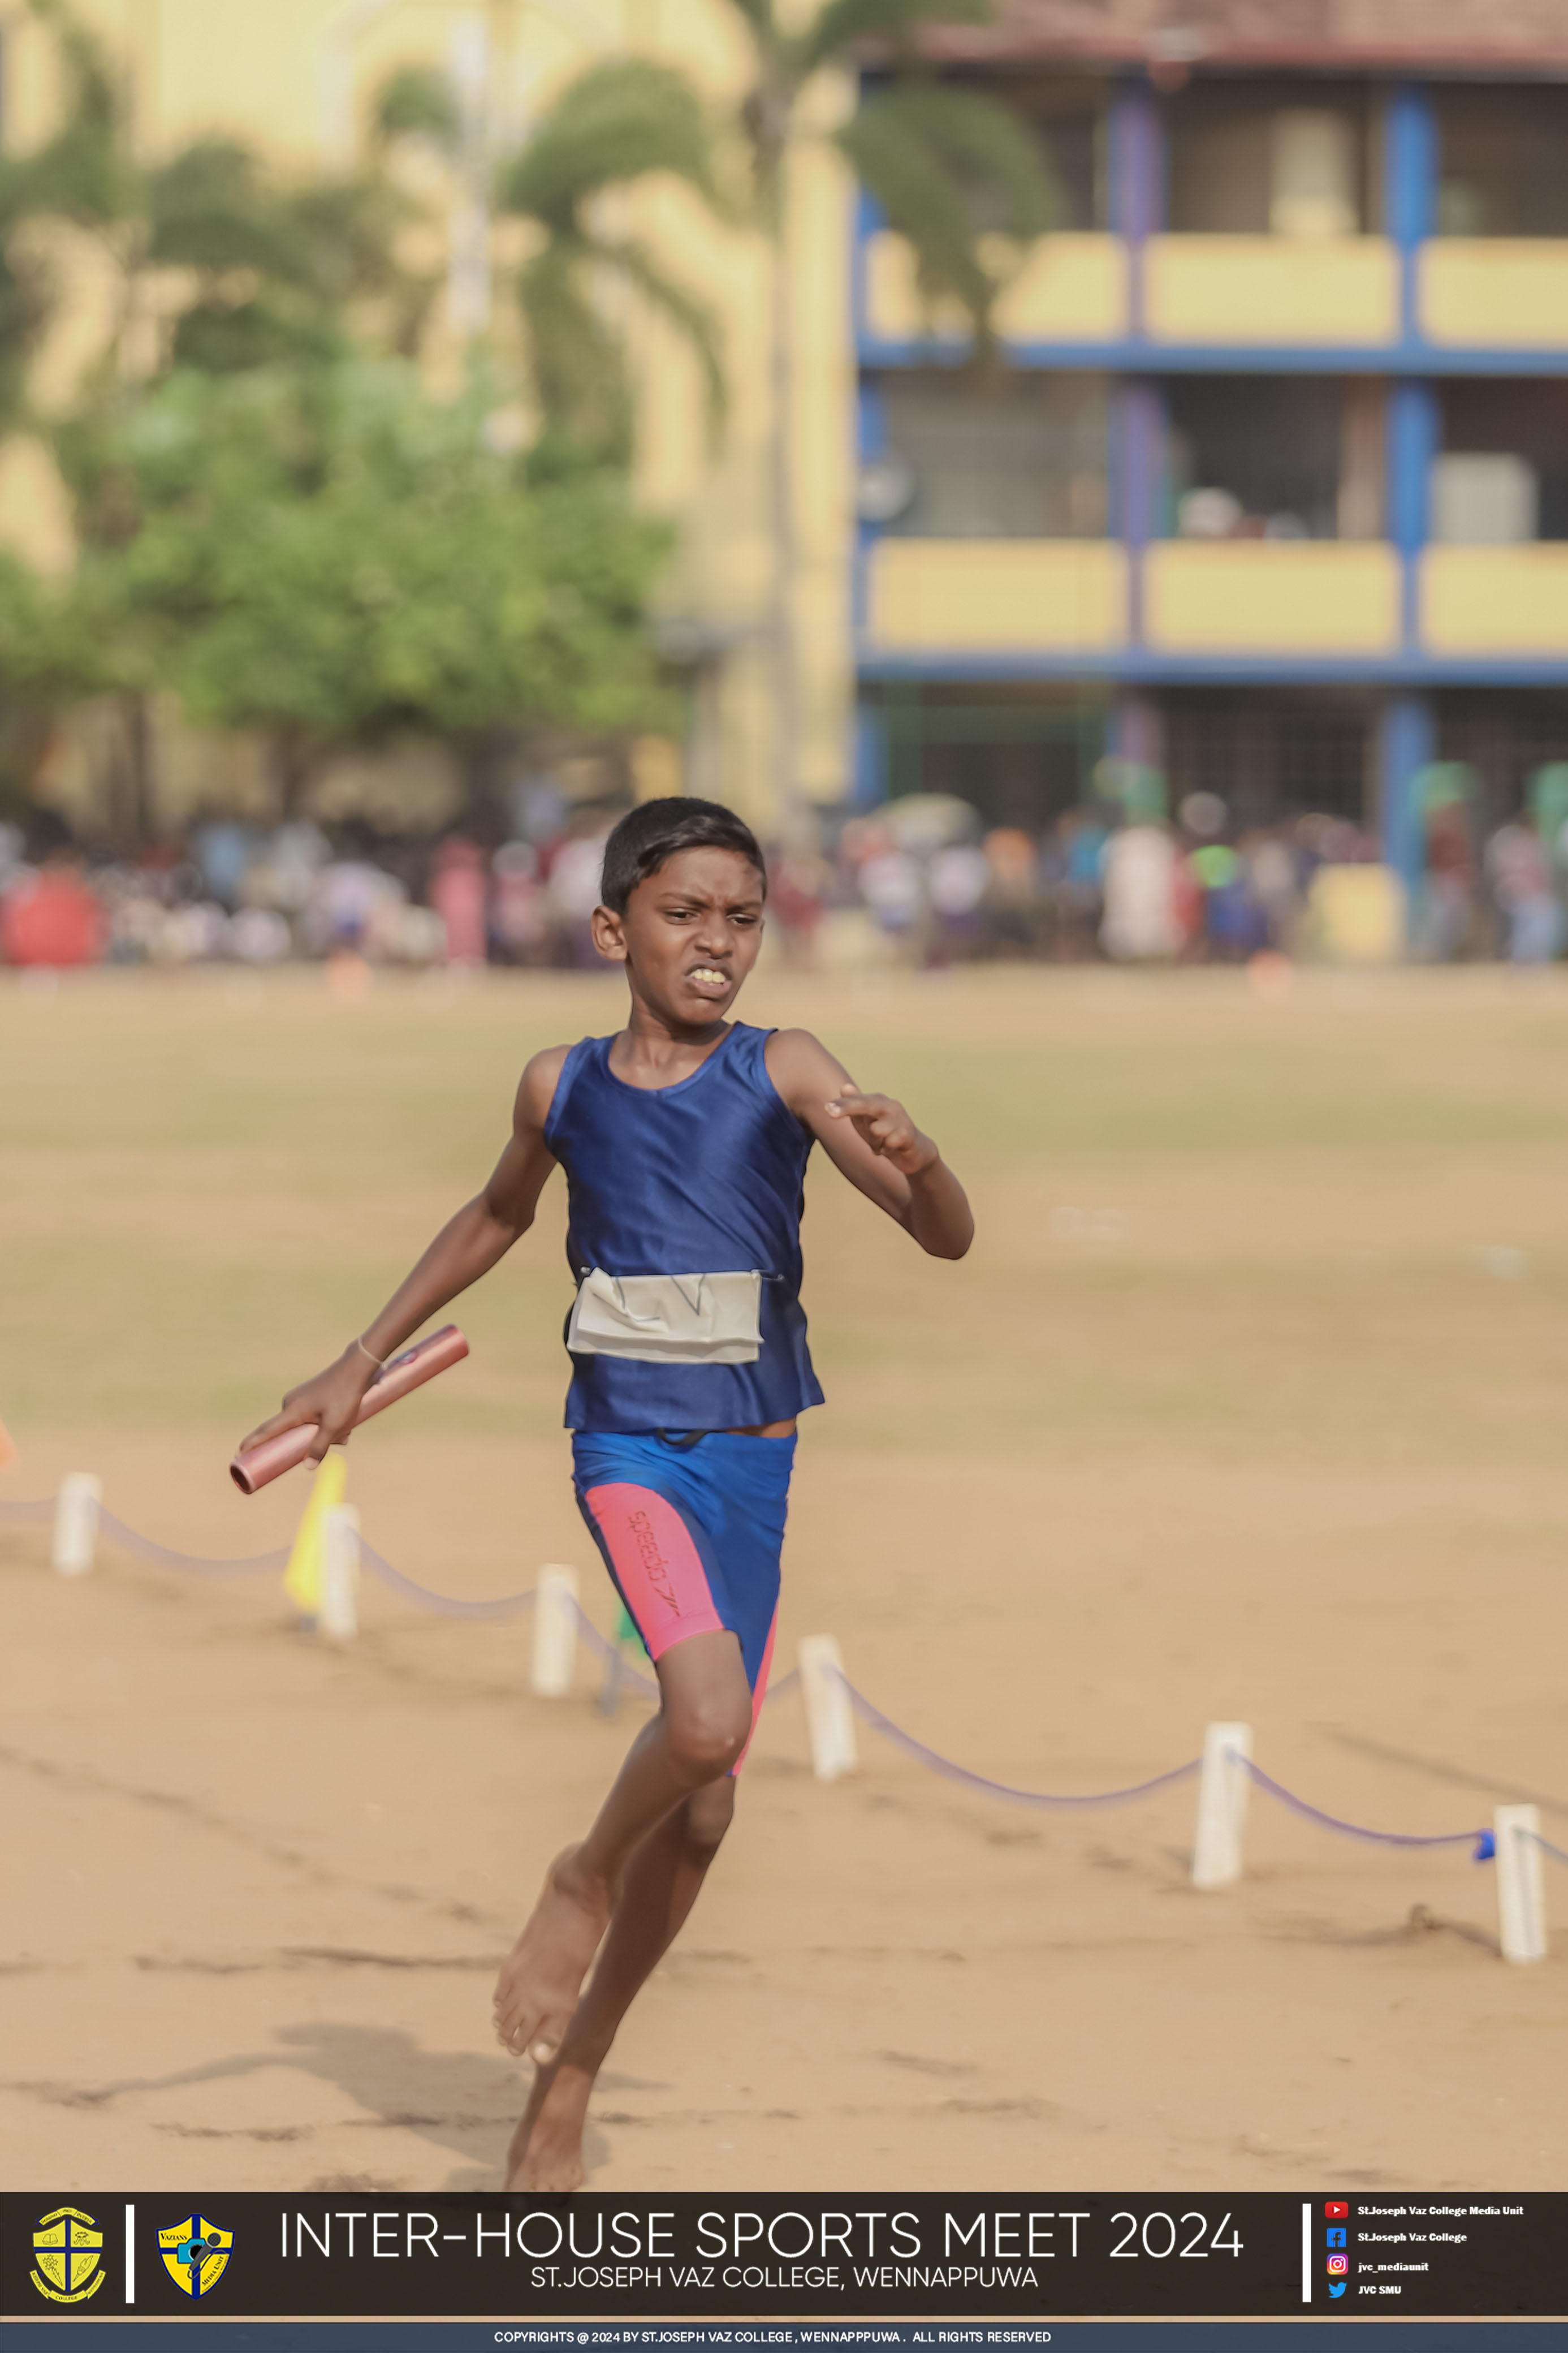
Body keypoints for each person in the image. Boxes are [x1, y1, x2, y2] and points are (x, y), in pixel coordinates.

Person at [237, 796, 973, 2192]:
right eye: (684, 913)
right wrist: (356, 1360)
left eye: (742, 919)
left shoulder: (789, 1065)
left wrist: (921, 1157)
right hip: (627, 1447)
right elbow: (497, 1216)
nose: (716, 944)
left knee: (705, 1808)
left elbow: (941, 1239)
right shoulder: (558, 1085)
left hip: (754, 1456)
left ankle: (568, 2079)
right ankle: (580, 1875)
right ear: (611, 927)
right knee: (702, 1722)